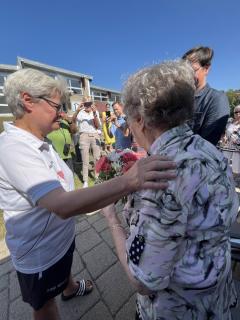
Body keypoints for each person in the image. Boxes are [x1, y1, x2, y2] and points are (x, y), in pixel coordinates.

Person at [0, 68, 176, 320]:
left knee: (64, 266)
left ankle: (69, 288)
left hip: (58, 240)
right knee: (45, 305)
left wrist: (113, 185)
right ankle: (62, 290)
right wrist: (128, 181)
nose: (62, 112)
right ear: (27, 101)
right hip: (40, 252)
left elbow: (60, 189)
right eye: (55, 105)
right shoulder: (14, 149)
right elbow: (61, 204)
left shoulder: (40, 140)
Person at [102, 60, 239, 320]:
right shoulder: (211, 152)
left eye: (130, 120)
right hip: (216, 299)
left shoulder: (161, 175)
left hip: (178, 310)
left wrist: (111, 219)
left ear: (140, 119)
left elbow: (144, 280)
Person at [182, 46, 230, 146]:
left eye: (192, 70)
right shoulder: (179, 100)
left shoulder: (216, 99)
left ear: (206, 68)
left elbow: (206, 145)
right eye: (183, 71)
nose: (186, 75)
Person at [73, 100, 102, 188]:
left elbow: (97, 125)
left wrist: (94, 113)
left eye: (89, 103)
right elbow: (72, 120)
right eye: (86, 103)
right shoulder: (80, 112)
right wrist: (77, 110)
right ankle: (85, 180)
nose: (88, 105)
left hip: (95, 134)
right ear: (83, 103)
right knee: (85, 159)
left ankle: (97, 177)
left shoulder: (95, 111)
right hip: (83, 135)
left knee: (97, 158)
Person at [221, 105, 240, 176]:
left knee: (236, 169)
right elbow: (223, 132)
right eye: (236, 112)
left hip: (237, 150)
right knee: (223, 166)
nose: (238, 114)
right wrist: (223, 137)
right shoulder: (229, 121)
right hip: (227, 147)